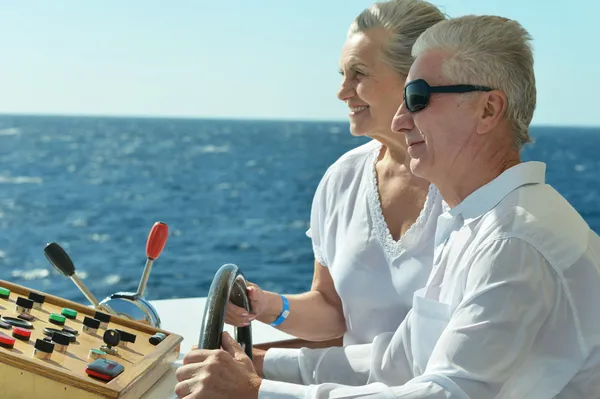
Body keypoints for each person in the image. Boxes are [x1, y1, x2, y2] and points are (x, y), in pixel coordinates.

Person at [174, 14, 600, 398]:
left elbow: (445, 393)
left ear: (488, 109)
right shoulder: (469, 224)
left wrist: (255, 392)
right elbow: (399, 362)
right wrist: (263, 366)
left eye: (416, 96)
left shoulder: (514, 240)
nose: (400, 119)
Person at [226, 0, 446, 348]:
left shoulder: (467, 185)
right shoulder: (343, 178)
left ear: (415, 79)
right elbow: (332, 310)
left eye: (358, 74)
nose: (342, 92)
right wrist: (265, 304)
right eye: (342, 75)